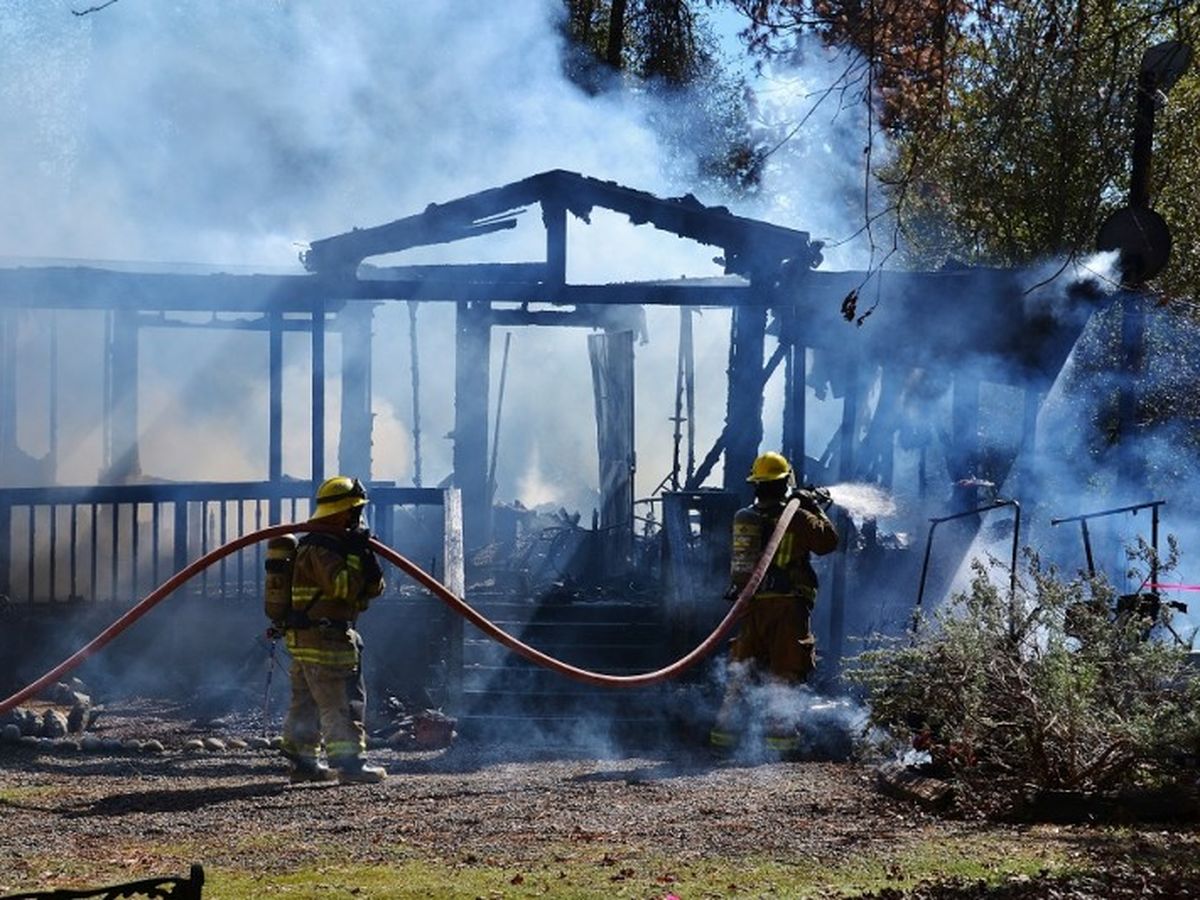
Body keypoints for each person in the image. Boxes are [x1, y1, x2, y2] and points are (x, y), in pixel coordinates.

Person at [709, 451, 839, 756]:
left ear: (756, 484)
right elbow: (829, 542)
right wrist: (813, 506)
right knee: (785, 672)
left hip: (751, 605)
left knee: (740, 672)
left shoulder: (746, 517)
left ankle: (722, 738)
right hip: (787, 605)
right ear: (785, 483)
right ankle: (781, 744)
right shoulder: (798, 517)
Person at [279, 476, 387, 784]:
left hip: (310, 638)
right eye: (355, 510)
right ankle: (351, 766)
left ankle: (304, 766)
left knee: (307, 704)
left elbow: (374, 589)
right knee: (342, 701)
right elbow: (344, 588)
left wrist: (365, 557)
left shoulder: (326, 544)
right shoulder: (323, 548)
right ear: (341, 512)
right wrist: (354, 554)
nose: (358, 517)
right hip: (325, 641)